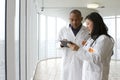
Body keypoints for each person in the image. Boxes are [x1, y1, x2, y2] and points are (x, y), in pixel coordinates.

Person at [68, 12, 114, 80]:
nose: (87, 27)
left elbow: (96, 58)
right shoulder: (91, 39)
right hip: (88, 75)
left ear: (95, 24)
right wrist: (77, 48)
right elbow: (88, 53)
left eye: (88, 24)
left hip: (97, 76)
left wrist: (78, 49)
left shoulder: (104, 39)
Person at [58, 9, 90, 80]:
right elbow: (57, 43)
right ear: (69, 19)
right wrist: (62, 44)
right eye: (72, 20)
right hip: (67, 62)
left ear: (81, 19)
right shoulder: (63, 30)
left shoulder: (87, 31)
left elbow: (90, 47)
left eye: (77, 20)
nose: (74, 22)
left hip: (81, 62)